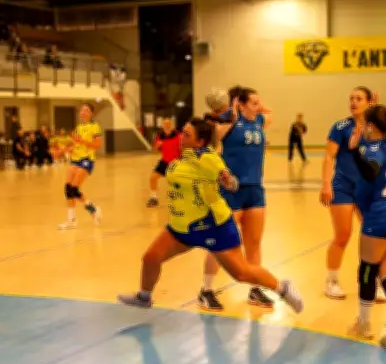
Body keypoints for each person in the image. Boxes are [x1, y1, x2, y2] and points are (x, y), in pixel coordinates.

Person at [117, 118, 303, 314]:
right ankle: (143, 297)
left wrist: (228, 181)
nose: (182, 138)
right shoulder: (180, 159)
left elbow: (230, 182)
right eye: (183, 133)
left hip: (213, 226)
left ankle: (283, 288)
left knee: (241, 273)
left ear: (200, 142)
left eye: (187, 135)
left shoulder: (207, 157)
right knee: (151, 258)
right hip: (183, 227)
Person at [197, 86, 274, 311]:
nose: (259, 107)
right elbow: (212, 139)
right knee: (222, 243)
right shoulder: (225, 124)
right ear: (239, 104)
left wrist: (255, 105)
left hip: (255, 190)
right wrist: (231, 114)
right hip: (231, 190)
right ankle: (206, 290)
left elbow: (271, 112)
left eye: (258, 102)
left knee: (254, 242)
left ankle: (254, 288)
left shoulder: (259, 121)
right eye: (253, 103)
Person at [345, 105, 386, 349]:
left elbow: (371, 170)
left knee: (367, 271)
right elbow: (375, 149)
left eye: (366, 122)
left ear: (372, 126)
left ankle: (364, 324)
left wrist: (353, 151)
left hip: (381, 217)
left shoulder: (372, 150)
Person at [320, 87, 385, 300]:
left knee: (373, 237)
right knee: (343, 234)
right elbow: (329, 157)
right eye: (351, 99)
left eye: (359, 99)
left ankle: (372, 283)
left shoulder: (374, 126)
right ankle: (332, 281)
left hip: (367, 188)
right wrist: (326, 184)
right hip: (343, 187)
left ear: (368, 102)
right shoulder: (340, 127)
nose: (354, 102)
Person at [57, 103, 103, 230]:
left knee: (74, 189)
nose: (83, 112)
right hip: (76, 159)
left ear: (91, 113)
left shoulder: (95, 126)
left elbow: (98, 145)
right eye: (82, 110)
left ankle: (93, 209)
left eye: (86, 110)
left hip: (87, 160)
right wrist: (64, 150)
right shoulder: (78, 127)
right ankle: (71, 220)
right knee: (68, 189)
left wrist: (83, 141)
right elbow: (75, 146)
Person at [146, 117, 181, 207]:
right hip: (165, 161)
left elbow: (183, 148)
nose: (167, 126)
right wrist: (157, 146)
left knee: (175, 180)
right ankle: (154, 198)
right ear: (163, 126)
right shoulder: (160, 136)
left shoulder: (178, 135)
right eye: (165, 124)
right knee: (153, 178)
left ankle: (178, 196)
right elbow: (154, 151)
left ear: (172, 125)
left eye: (169, 124)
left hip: (176, 162)